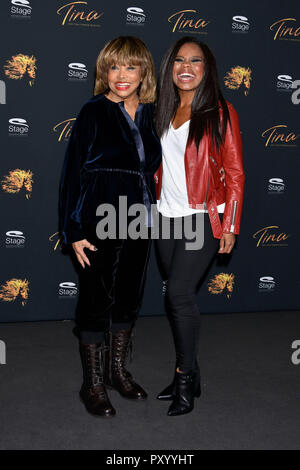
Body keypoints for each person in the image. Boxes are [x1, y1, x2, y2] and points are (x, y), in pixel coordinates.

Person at [59, 36, 161, 417]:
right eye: (113, 67)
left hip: (139, 217)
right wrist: (73, 231)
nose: (121, 75)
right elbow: (72, 173)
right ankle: (93, 383)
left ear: (143, 71)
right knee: (94, 299)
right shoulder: (93, 111)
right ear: (104, 71)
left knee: (128, 295)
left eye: (130, 66)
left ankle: (118, 371)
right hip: (98, 214)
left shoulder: (151, 112)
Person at [154, 37, 245, 416]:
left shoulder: (222, 112)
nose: (186, 67)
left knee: (178, 295)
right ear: (170, 67)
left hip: (201, 216)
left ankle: (185, 379)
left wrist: (231, 224)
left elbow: (236, 173)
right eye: (179, 60)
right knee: (175, 299)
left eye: (195, 61)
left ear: (207, 69)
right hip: (163, 217)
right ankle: (191, 371)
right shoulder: (162, 107)